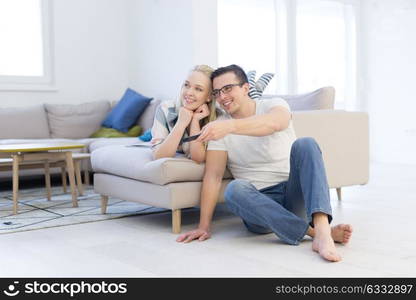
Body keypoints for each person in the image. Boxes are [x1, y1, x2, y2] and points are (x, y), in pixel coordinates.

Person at [176, 64, 353, 262]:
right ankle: (316, 234)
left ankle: (322, 229)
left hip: (294, 195)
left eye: (228, 89)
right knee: (234, 190)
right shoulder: (220, 128)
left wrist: (230, 126)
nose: (222, 96)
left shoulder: (271, 106)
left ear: (245, 87)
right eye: (217, 92)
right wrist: (203, 226)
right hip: (260, 207)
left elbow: (275, 123)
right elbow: (213, 176)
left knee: (306, 144)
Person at [151, 65, 217, 163]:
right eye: (186, 85)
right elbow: (159, 156)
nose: (189, 92)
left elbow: (199, 158)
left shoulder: (217, 118)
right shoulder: (165, 108)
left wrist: (195, 121)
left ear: (209, 96)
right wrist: (181, 123)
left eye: (198, 89)